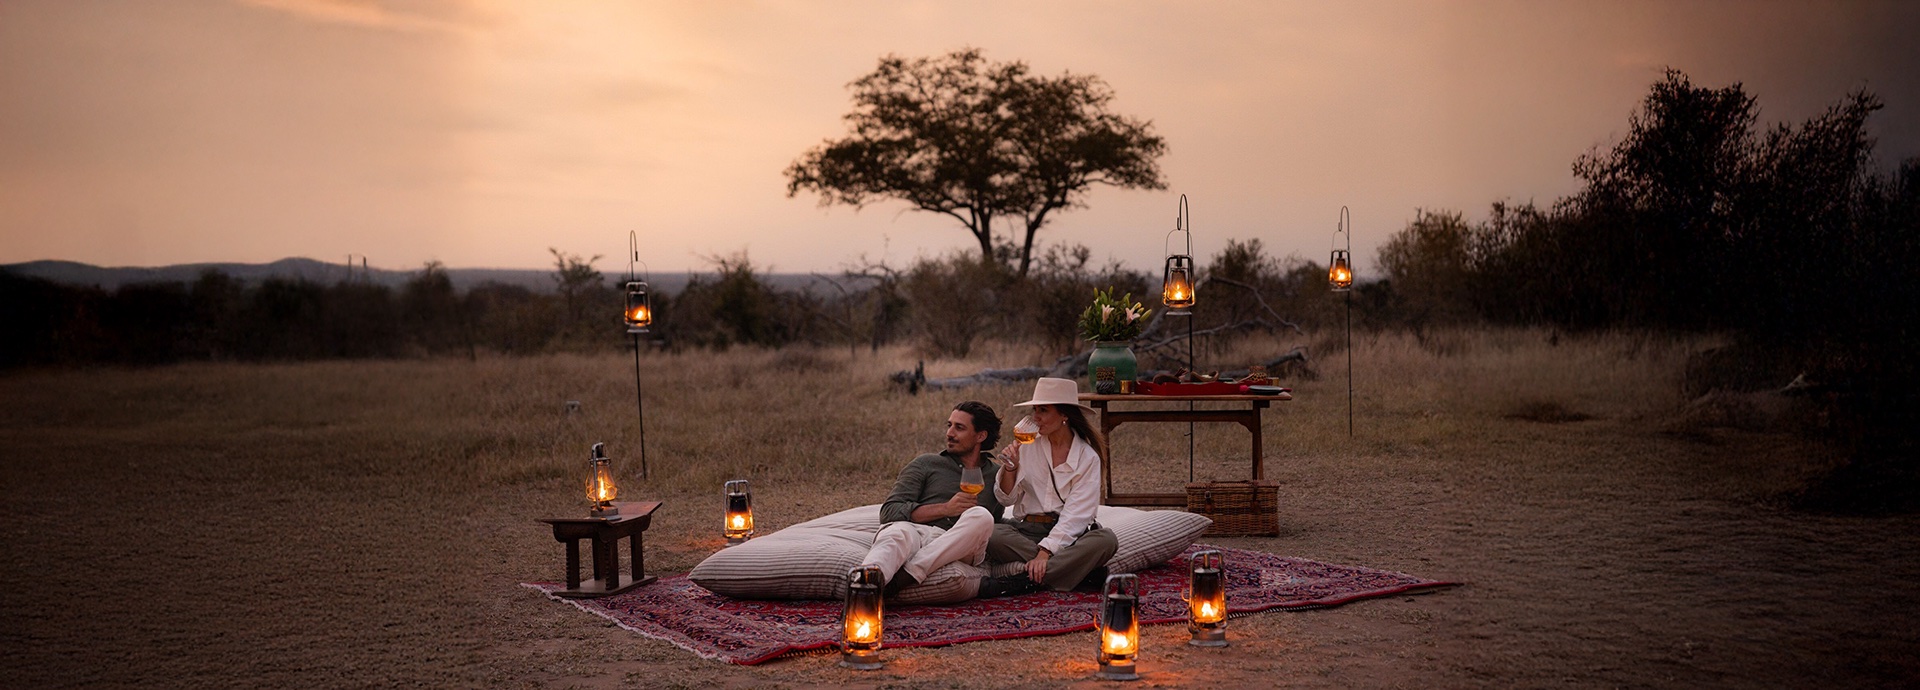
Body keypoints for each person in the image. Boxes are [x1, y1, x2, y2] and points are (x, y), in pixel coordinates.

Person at [985, 377, 1119, 594]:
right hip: (1028, 531)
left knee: (1107, 540)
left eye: (1043, 410)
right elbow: (1006, 499)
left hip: (1070, 536)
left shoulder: (1087, 457)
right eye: (1035, 409)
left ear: (1064, 415)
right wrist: (1010, 469)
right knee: (989, 532)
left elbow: (1077, 515)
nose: (1035, 417)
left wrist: (1045, 553)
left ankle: (1025, 581)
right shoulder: (1028, 444)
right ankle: (1079, 573)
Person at [863, 401, 1007, 597]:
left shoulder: (997, 475)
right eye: (949, 425)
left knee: (981, 516)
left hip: (961, 545)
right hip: (918, 534)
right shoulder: (926, 463)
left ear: (981, 436)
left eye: (959, 427)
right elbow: (889, 512)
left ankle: (904, 578)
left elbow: (995, 521)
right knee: (896, 532)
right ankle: (864, 589)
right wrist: (946, 509)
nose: (950, 433)